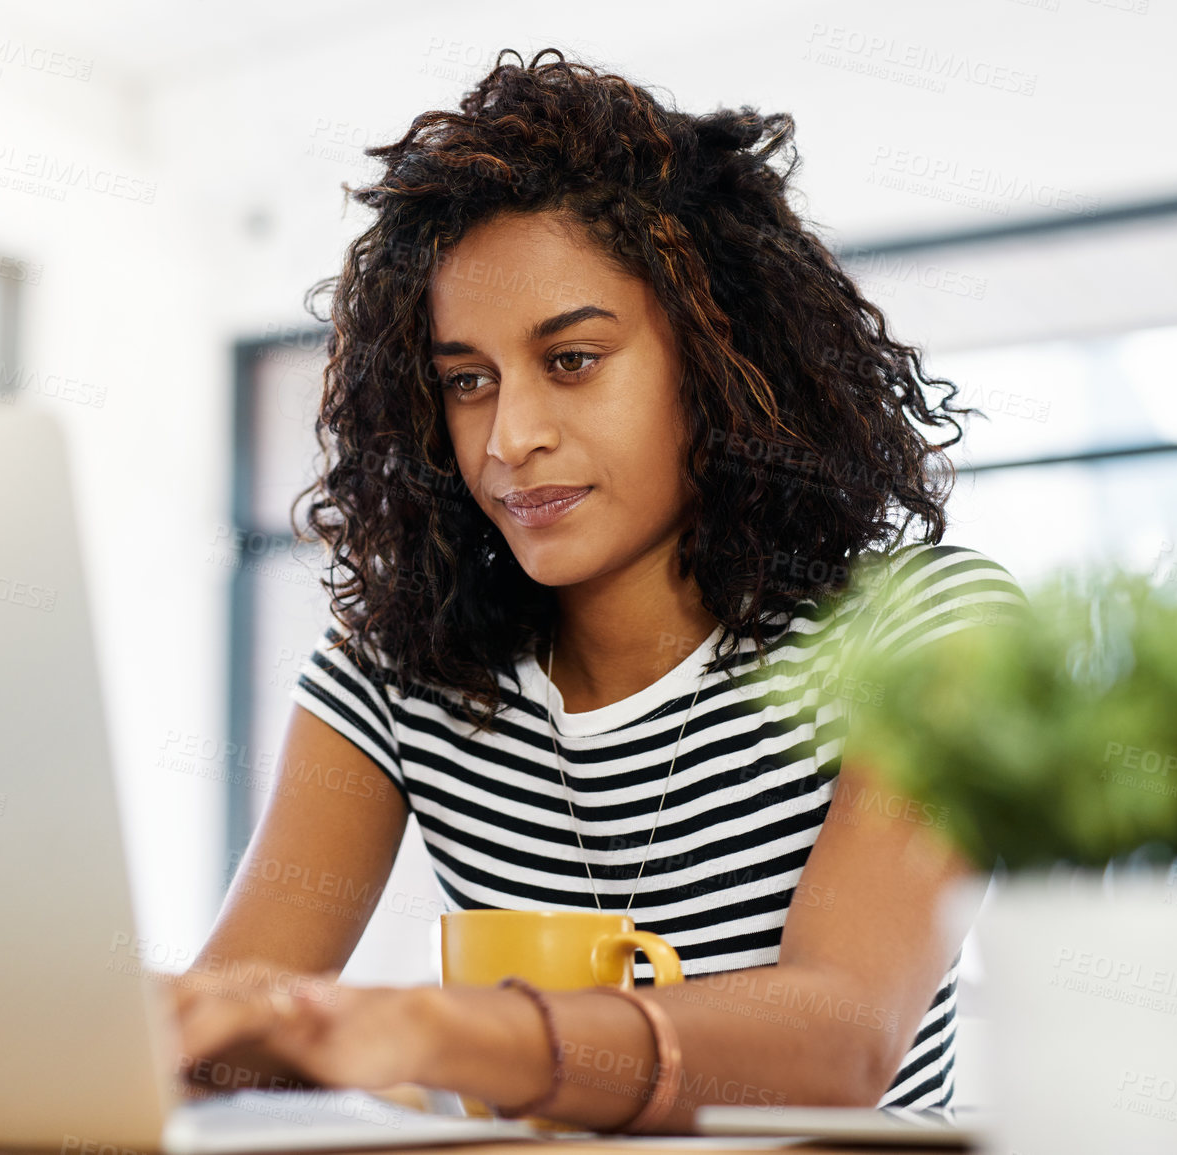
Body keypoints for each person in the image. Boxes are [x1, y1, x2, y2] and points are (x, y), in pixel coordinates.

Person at [167, 48, 1025, 1134]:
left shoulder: (923, 629)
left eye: (571, 360)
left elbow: (840, 1040)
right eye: (467, 381)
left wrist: (444, 1032)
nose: (510, 438)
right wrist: (169, 1026)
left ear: (720, 361)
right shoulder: (397, 679)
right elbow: (232, 1044)